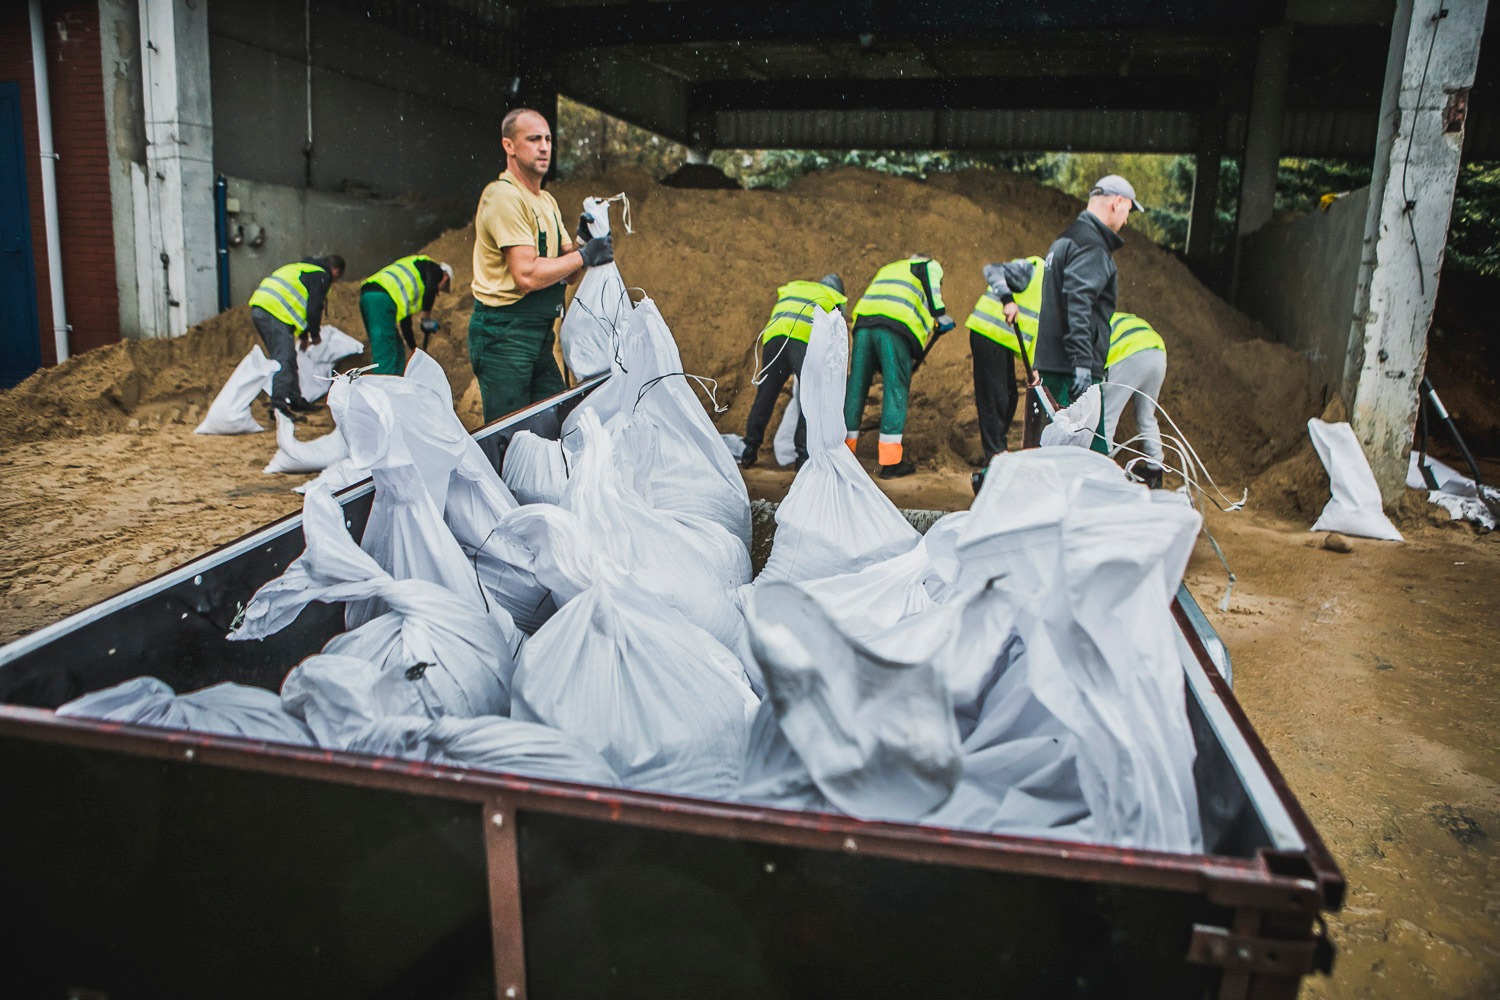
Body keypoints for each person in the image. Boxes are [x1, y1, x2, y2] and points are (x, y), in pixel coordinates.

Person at [468, 107, 614, 423]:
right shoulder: (504, 197)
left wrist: (584, 241)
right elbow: (526, 275)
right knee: (511, 434)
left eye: (548, 139)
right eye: (534, 139)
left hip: (539, 336)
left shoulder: (545, 201)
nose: (545, 147)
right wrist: (586, 255)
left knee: (558, 422)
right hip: (503, 335)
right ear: (509, 146)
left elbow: (569, 273)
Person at [1032, 174, 1142, 455]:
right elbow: (1078, 303)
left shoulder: (1066, 240)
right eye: (1128, 210)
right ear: (1117, 202)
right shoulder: (1091, 245)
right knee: (1086, 459)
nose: (1126, 220)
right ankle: (992, 476)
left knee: (1055, 452)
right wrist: (1082, 361)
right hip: (1073, 372)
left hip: (1056, 364)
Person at [843, 254, 955, 479]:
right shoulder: (928, 265)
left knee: (856, 388)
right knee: (895, 390)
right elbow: (930, 283)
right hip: (894, 328)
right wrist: (939, 315)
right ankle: (891, 462)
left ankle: (843, 455)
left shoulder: (890, 268)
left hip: (864, 325)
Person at [741, 273, 847, 470]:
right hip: (802, 339)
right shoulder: (833, 297)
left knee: (766, 393)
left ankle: (749, 448)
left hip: (774, 336)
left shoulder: (796, 288)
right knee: (810, 397)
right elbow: (836, 338)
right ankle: (802, 456)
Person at [964, 254, 1046, 460]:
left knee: (1009, 398)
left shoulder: (1053, 295)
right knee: (996, 397)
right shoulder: (1033, 270)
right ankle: (995, 456)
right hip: (988, 332)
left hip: (1003, 340)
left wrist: (1034, 368)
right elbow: (992, 270)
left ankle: (996, 450)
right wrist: (1008, 300)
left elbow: (1036, 330)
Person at [248, 254, 345, 420]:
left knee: (288, 357)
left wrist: (304, 335)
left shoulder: (305, 268)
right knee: (284, 359)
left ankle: (295, 400)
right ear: (336, 270)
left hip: (264, 307)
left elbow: (300, 304)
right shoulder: (321, 276)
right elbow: (314, 308)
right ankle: (279, 407)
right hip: (273, 311)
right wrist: (314, 334)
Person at [359, 255, 454, 375]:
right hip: (380, 298)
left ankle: (398, 382)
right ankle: (384, 385)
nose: (438, 292)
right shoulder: (433, 268)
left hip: (374, 298)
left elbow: (405, 324)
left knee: (398, 349)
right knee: (385, 351)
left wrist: (414, 349)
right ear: (445, 277)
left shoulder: (414, 283)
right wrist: (425, 318)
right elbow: (431, 288)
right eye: (443, 288)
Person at [1104, 310, 1168, 485]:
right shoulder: (1120, 317)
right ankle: (1155, 470)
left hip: (1129, 354)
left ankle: (1102, 465)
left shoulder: (1097, 322)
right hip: (1157, 353)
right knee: (1146, 415)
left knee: (1107, 415)